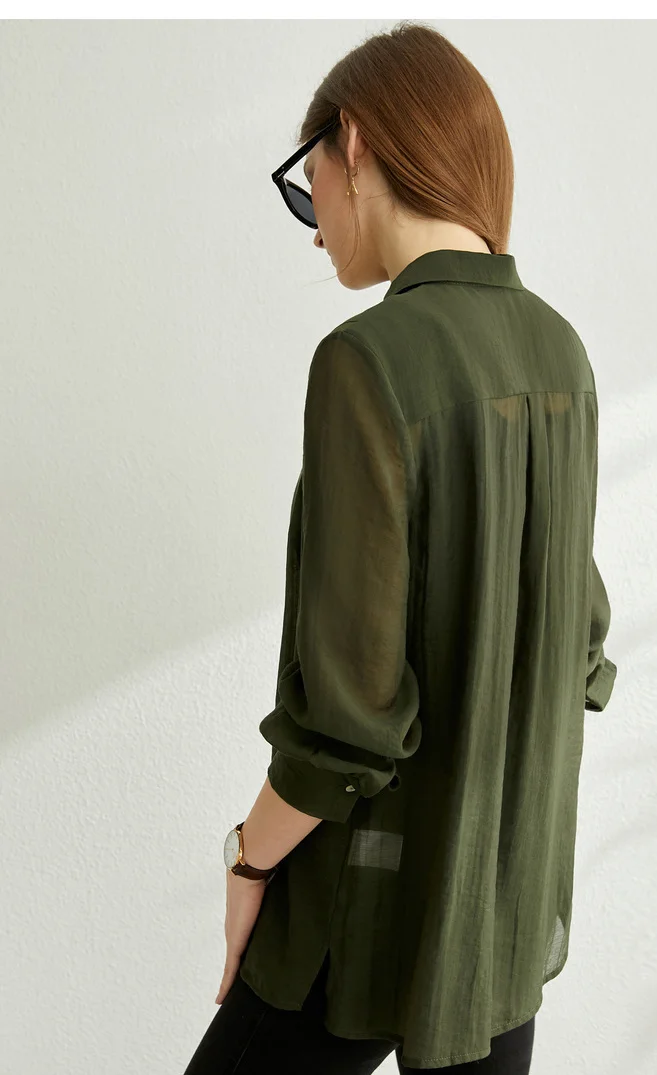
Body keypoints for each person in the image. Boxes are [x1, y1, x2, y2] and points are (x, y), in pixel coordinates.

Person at [183, 20, 617, 1075]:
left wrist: (247, 860)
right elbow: (581, 640)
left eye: (309, 188)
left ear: (356, 144)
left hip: (359, 917)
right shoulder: (560, 352)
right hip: (499, 918)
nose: (315, 229)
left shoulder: (366, 360)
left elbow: (349, 723)